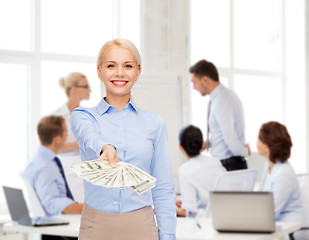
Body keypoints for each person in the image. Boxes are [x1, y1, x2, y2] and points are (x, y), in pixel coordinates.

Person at [70, 38, 176, 240]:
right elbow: (88, 135)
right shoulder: (83, 116)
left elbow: (163, 187)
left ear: (137, 71)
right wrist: (105, 147)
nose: (119, 73)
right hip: (96, 226)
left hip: (142, 226)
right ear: (100, 71)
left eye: (127, 66)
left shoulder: (155, 124)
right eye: (111, 66)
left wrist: (168, 236)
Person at [23, 116, 83, 240]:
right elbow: (54, 204)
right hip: (59, 232)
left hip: (58, 226)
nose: (68, 135)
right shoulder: (45, 166)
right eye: (66, 131)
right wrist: (93, 208)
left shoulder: (40, 160)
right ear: (57, 139)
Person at [189, 59, 250, 171]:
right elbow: (226, 133)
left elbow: (231, 140)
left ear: (205, 80)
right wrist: (209, 143)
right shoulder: (226, 96)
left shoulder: (221, 103)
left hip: (229, 167)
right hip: (230, 165)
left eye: (194, 82)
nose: (194, 87)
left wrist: (246, 151)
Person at [53, 72, 91, 203]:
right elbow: (52, 148)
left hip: (87, 166)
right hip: (68, 168)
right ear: (74, 90)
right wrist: (75, 145)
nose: (89, 90)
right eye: (85, 86)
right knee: (79, 206)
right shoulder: (57, 116)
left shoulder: (87, 115)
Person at [257, 121, 303, 225]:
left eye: (258, 140)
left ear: (266, 147)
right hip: (273, 224)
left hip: (288, 228)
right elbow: (260, 199)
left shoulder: (284, 173)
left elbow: (271, 212)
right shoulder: (269, 166)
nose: (256, 144)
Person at [176, 125, 226, 217]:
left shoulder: (185, 170)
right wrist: (185, 203)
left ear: (180, 146)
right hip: (223, 215)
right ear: (202, 143)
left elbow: (191, 213)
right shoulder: (215, 162)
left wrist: (176, 211)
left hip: (205, 221)